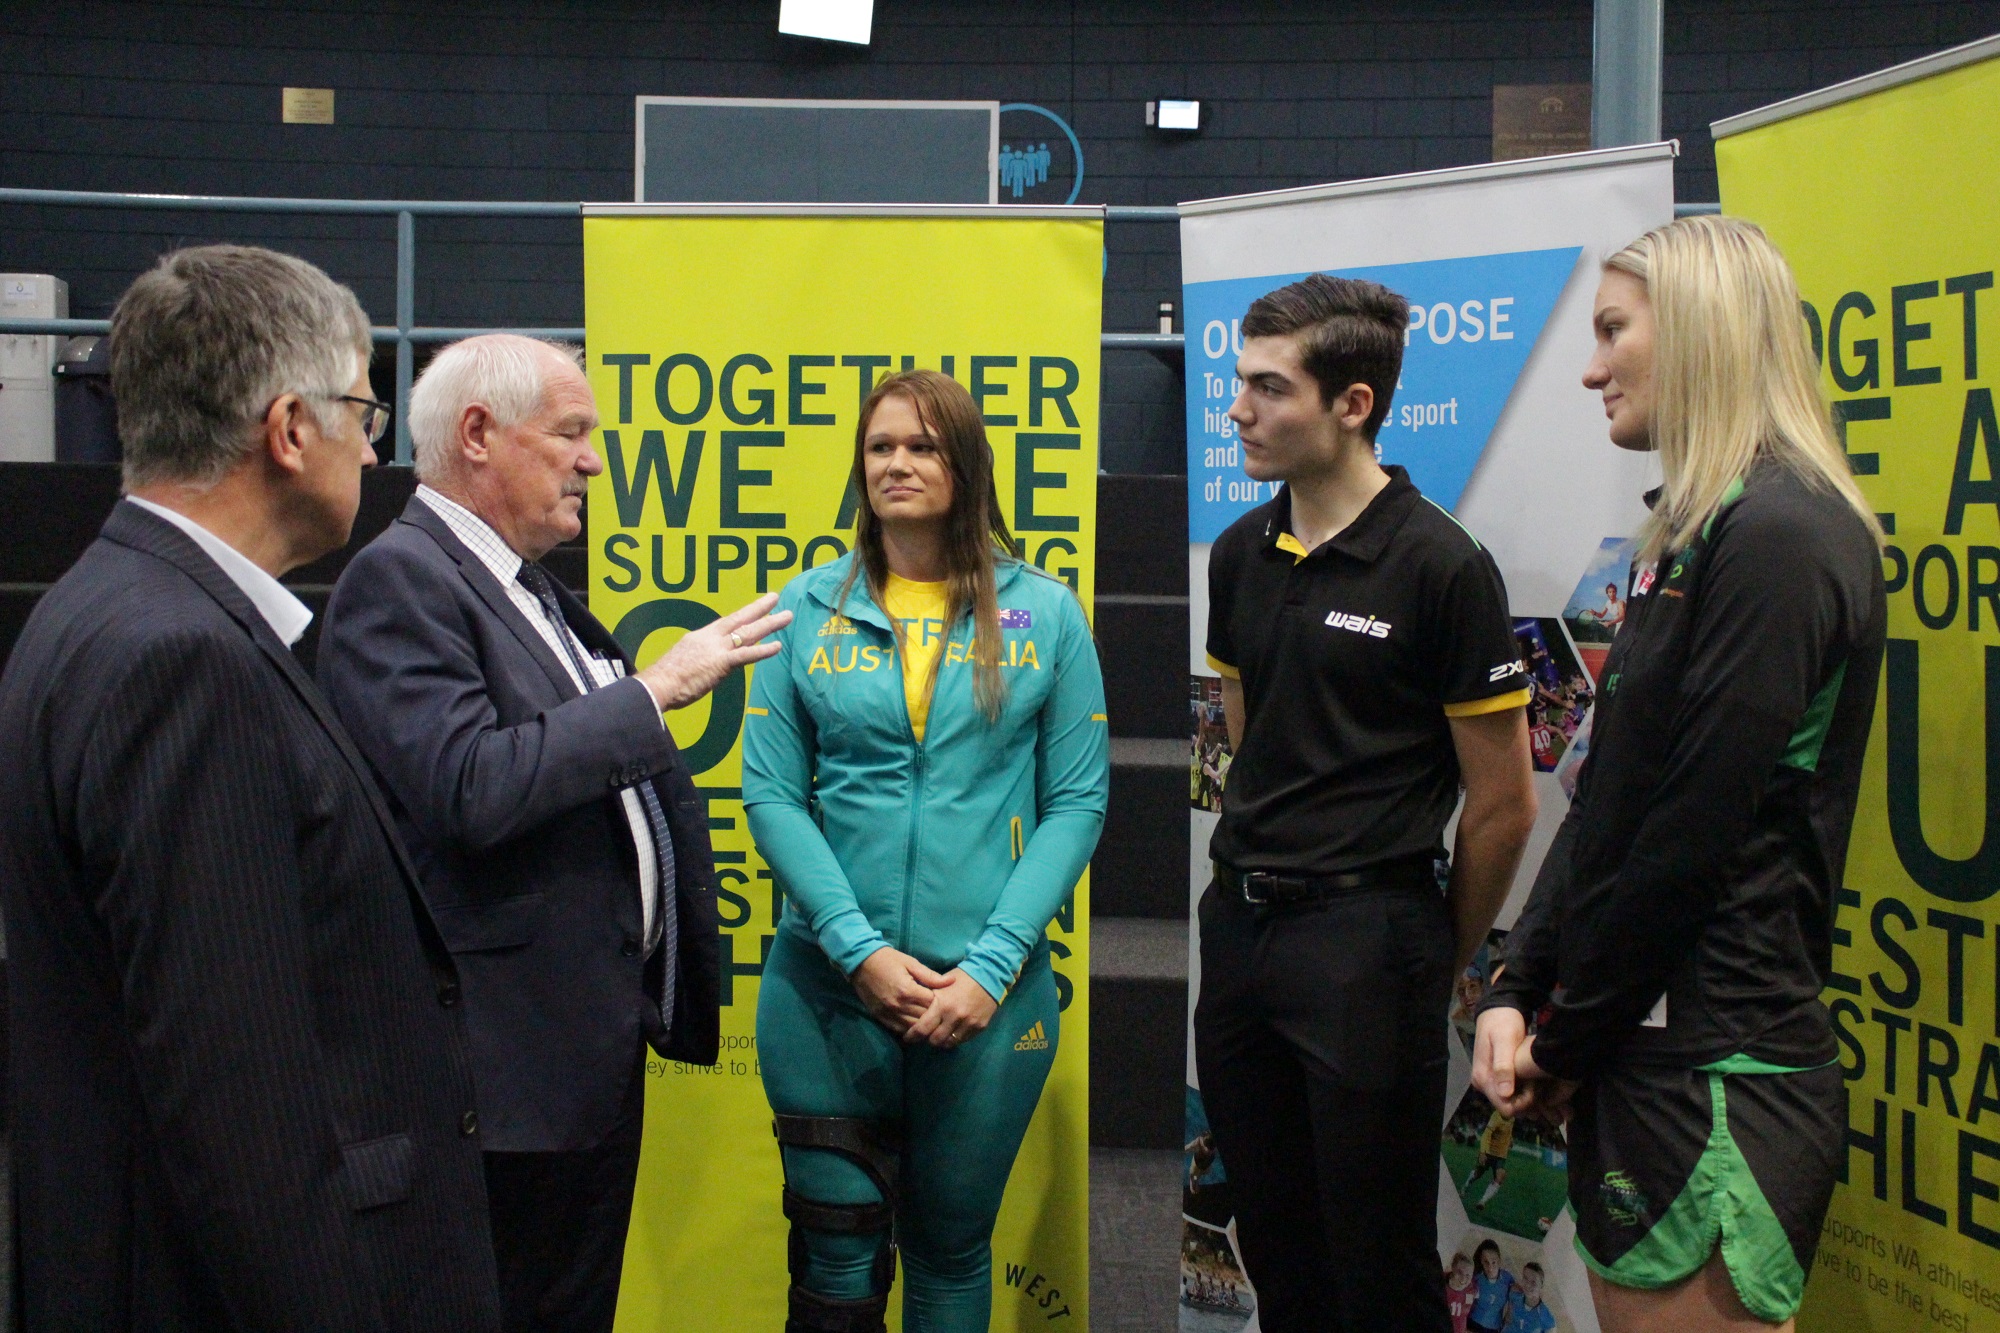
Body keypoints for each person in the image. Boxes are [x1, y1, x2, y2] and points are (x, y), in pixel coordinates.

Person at [0, 245, 500, 1328]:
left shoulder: (96, 608)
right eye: (363, 414)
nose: (373, 450)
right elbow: (240, 1104)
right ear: (290, 430)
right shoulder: (183, 662)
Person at [316, 334, 790, 1333]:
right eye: (571, 433)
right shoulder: (402, 580)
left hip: (578, 1057)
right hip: (501, 1084)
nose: (593, 463)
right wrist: (658, 690)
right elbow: (470, 786)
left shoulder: (521, 586)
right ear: (478, 435)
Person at [1473, 215, 1888, 1333]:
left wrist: (1563, 1039)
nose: (1590, 367)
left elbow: (1688, 838)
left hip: (1717, 1070)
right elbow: (1608, 799)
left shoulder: (1784, 536)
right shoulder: (1699, 535)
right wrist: (1515, 983)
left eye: (1614, 330)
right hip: (1645, 1056)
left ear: (1703, 330)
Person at [1192, 273, 1538, 1332]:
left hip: (1368, 943)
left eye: (1268, 388)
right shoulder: (1239, 553)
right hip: (1241, 930)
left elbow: (1503, 806)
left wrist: (1428, 948)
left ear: (1353, 404)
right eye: (1238, 383)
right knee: (1275, 1244)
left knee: (1379, 1266)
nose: (1237, 411)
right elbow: (1248, 736)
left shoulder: (1441, 564)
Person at [743, 368, 1109, 1332]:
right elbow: (772, 794)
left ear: (967, 466)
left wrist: (991, 967)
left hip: (985, 1000)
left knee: (950, 1251)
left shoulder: (1047, 613)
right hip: (826, 992)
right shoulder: (805, 608)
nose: (896, 464)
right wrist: (856, 949)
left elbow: (1077, 803)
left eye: (922, 445)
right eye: (880, 447)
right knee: (835, 1253)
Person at [1461, 1107, 1515, 1210]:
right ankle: (1465, 1186)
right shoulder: (1496, 1117)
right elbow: (1486, 1135)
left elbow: (1509, 1129)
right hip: (1489, 1152)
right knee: (1477, 1174)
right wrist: (1482, 1152)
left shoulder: (1512, 1118)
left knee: (1500, 1176)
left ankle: (1482, 1201)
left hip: (1501, 1156)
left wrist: (1510, 1139)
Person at [1466, 1240, 1515, 1333]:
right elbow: (1466, 1298)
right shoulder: (1476, 1277)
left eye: (1493, 1262)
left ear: (1499, 1260)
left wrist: (1510, 1311)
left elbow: (1515, 1297)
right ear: (1481, 1261)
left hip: (1493, 1327)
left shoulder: (1508, 1279)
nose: (1490, 1267)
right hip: (1473, 1323)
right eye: (1486, 1262)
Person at [1499, 1263, 1557, 1333]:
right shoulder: (1515, 1295)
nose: (1528, 1285)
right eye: (1525, 1278)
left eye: (1533, 1282)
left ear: (1541, 1285)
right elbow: (1507, 1319)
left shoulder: (1546, 1317)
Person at [1445, 1252, 1477, 1333]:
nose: (1463, 1279)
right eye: (1459, 1272)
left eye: (1468, 1275)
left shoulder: (1472, 1289)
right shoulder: (1440, 1284)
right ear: (1452, 1268)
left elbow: (1466, 1312)